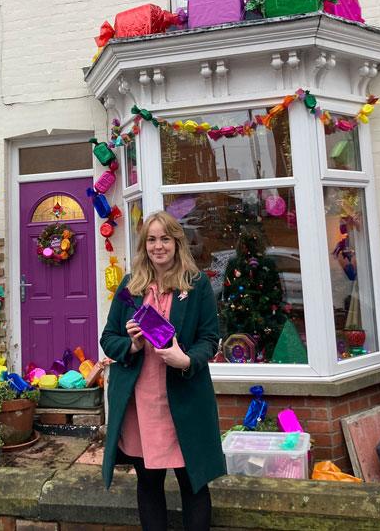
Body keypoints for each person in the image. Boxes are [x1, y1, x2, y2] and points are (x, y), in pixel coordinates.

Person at [100, 211, 225, 530]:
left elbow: (210, 338)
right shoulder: (131, 286)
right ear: (145, 245)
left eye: (165, 239)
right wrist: (130, 346)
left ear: (177, 242)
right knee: (149, 482)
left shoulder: (196, 285)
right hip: (140, 403)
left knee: (193, 483)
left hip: (183, 401)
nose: (159, 246)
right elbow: (108, 337)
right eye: (152, 239)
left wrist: (186, 360)